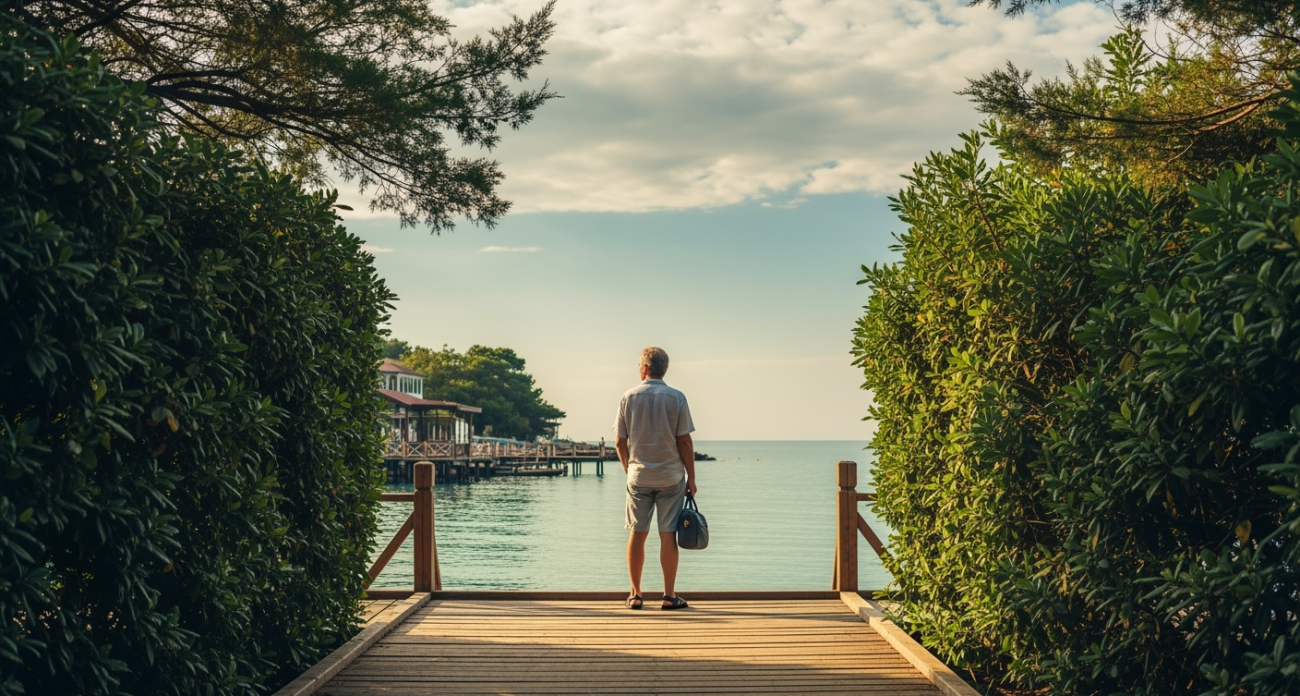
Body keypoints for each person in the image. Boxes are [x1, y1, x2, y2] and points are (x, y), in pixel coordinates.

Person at [615, 346, 696, 610]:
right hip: (670, 477)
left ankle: (636, 595)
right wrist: (691, 479)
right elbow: (684, 441)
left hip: (638, 476)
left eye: (639, 365)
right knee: (667, 535)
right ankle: (669, 596)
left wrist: (629, 468)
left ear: (646, 368)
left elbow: (619, 441)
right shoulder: (677, 398)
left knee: (637, 534)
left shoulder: (628, 396)